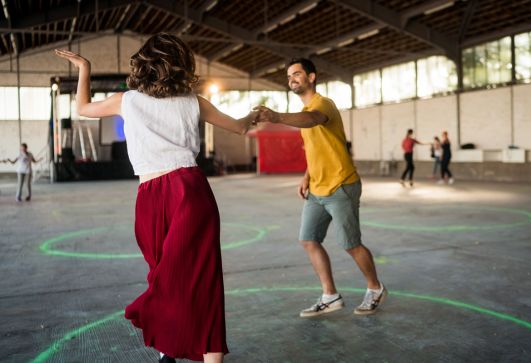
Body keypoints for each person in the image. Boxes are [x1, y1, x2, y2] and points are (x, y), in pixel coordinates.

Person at [55, 33, 257, 363]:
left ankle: (170, 350)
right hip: (190, 192)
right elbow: (239, 128)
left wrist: (85, 68)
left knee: (161, 275)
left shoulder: (127, 100)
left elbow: (82, 108)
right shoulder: (194, 101)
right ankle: (172, 347)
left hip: (151, 196)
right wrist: (252, 116)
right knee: (200, 281)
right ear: (181, 64)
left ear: (144, 64)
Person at [254, 58, 386, 318]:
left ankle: (375, 288)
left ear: (311, 77)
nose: (292, 78)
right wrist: (307, 175)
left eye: (297, 74)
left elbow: (313, 119)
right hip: (317, 189)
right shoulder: (304, 110)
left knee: (350, 244)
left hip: (341, 185)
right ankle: (330, 295)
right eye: (289, 75)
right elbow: (318, 149)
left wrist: (277, 117)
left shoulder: (322, 104)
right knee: (309, 240)